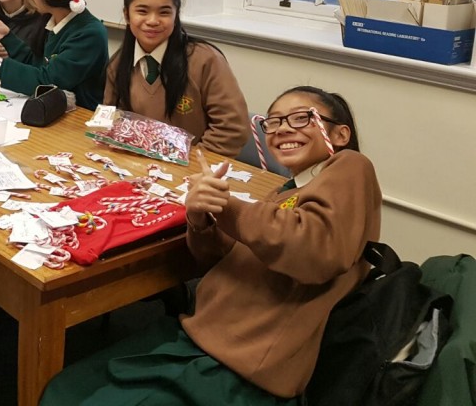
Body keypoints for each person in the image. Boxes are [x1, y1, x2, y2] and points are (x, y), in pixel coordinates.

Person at [39, 86, 382, 406]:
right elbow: (221, 258)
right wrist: (200, 219)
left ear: (340, 134)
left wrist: (228, 207)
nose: (282, 129)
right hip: (202, 335)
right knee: (64, 389)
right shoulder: (285, 192)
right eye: (274, 121)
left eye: (302, 118)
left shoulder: (350, 166)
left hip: (242, 365)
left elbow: (314, 251)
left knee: (69, 397)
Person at [104, 0, 250, 157]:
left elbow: (232, 129)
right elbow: (111, 119)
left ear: (176, 15)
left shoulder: (205, 59)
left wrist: (192, 164)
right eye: (142, 11)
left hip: (195, 170)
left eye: (164, 12)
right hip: (140, 165)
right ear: (127, 15)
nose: (152, 21)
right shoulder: (118, 64)